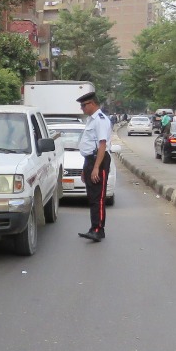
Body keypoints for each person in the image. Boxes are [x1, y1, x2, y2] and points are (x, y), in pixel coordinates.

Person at [76, 89, 112, 242]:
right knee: (92, 197)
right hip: (90, 160)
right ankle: (94, 228)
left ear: (91, 104)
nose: (82, 109)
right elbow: (89, 146)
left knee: (99, 198)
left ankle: (98, 229)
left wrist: (96, 167)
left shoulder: (100, 120)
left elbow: (102, 144)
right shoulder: (91, 119)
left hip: (99, 160)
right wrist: (86, 169)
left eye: (83, 106)